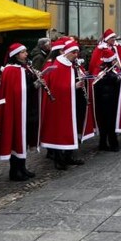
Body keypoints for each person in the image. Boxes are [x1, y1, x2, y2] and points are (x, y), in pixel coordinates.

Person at [0, 43, 38, 181]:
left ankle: (22, 167)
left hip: (26, 108)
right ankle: (14, 170)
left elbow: (25, 87)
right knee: (16, 138)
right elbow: (15, 91)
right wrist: (32, 85)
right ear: (16, 55)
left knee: (24, 138)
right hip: (15, 109)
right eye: (23, 52)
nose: (26, 54)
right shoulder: (11, 70)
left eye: (25, 51)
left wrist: (35, 84)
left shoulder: (26, 67)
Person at [41, 39, 92, 170]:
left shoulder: (72, 64)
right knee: (59, 130)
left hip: (74, 101)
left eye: (77, 52)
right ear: (66, 52)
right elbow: (56, 86)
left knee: (72, 129)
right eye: (74, 52)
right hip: (60, 104)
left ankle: (69, 156)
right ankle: (59, 159)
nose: (76, 55)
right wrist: (73, 86)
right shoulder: (57, 64)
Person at [90, 47, 121, 152]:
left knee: (110, 123)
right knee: (105, 123)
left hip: (112, 100)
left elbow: (118, 82)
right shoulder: (100, 71)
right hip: (103, 101)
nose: (115, 62)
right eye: (113, 60)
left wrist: (117, 76)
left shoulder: (113, 70)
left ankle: (109, 143)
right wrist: (108, 77)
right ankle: (107, 144)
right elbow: (95, 85)